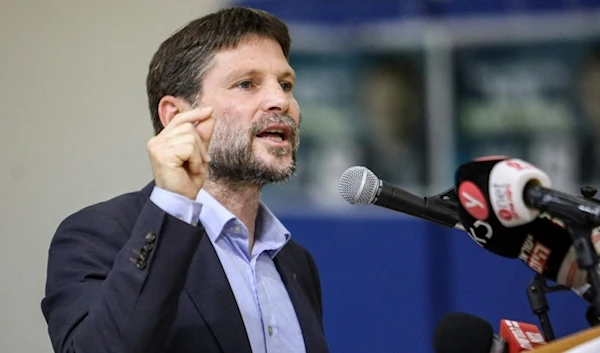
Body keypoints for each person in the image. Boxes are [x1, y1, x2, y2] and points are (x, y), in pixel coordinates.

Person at [41, 7, 329, 353]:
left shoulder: (296, 262)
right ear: (177, 117)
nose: (280, 101)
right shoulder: (100, 235)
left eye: (285, 84)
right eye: (246, 84)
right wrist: (173, 203)